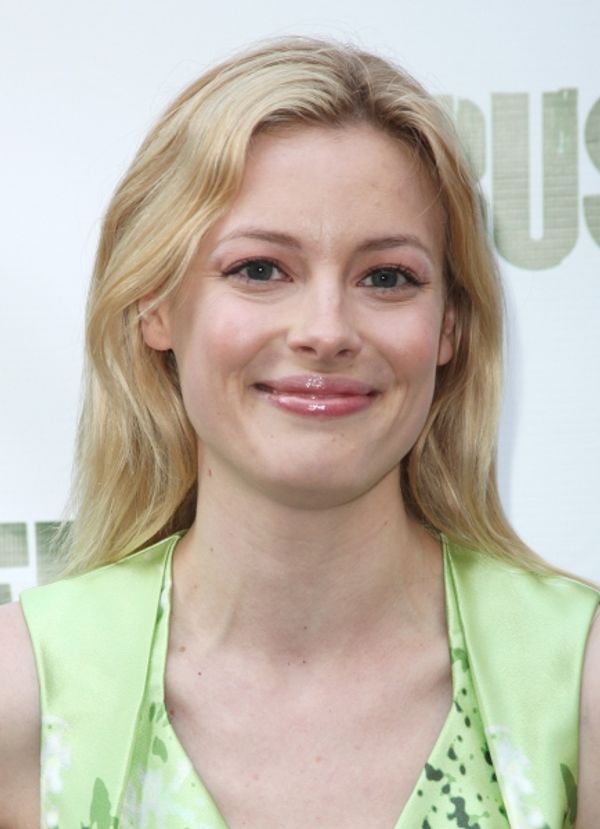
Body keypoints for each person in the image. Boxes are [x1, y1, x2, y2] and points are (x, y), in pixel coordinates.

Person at [0, 36, 599, 829]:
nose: (325, 330)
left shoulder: (577, 680)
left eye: (387, 277)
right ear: (155, 307)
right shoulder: (25, 694)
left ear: (449, 327)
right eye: (259, 269)